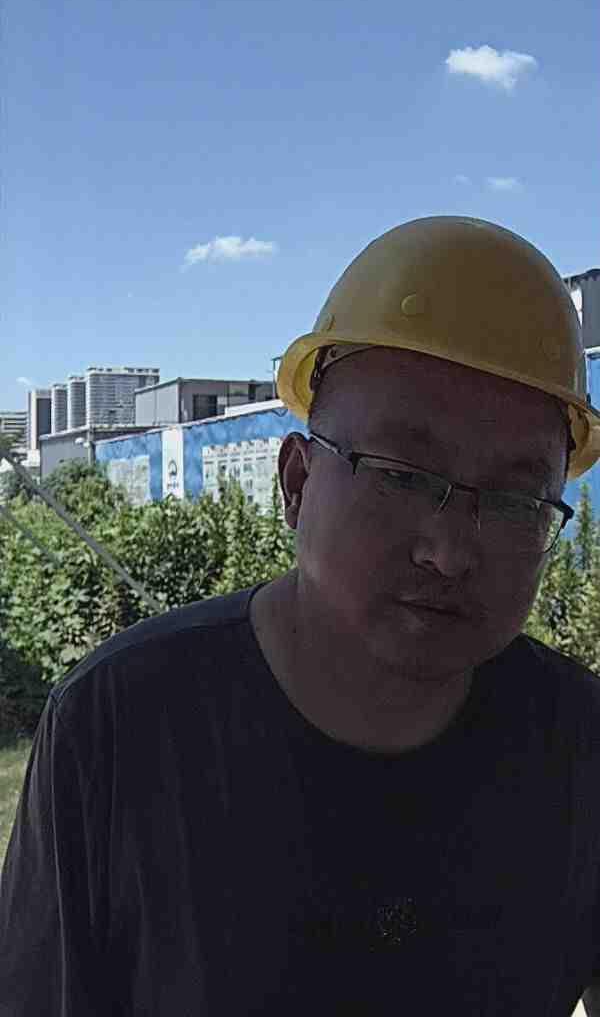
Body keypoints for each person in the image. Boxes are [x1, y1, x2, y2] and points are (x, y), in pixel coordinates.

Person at [2, 216, 600, 1016]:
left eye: (518, 499)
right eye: (402, 474)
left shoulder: (580, 747)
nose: (453, 551)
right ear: (296, 483)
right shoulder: (119, 727)